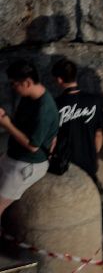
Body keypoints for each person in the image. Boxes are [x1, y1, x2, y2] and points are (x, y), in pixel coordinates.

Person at [0, 61, 58, 218]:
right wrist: (6, 118)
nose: (12, 87)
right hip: (13, 156)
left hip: (27, 164)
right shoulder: (28, 97)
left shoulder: (44, 108)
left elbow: (33, 146)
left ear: (27, 83)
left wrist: (6, 125)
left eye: (14, 83)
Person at [47, 58, 103, 181]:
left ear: (59, 79)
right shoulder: (95, 101)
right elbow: (98, 134)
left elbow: (53, 138)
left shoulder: (55, 104)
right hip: (89, 161)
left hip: (65, 163)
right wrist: (94, 155)